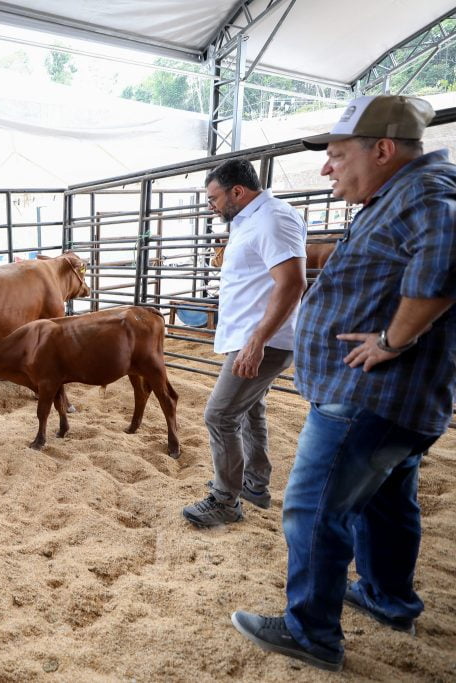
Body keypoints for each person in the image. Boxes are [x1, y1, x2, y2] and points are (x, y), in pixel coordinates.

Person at [230, 94, 456, 671]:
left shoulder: (426, 193)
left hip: (369, 396)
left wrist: (391, 341)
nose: (328, 168)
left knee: (311, 507)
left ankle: (310, 633)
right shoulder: (399, 194)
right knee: (386, 500)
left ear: (382, 149)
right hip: (393, 402)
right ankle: (389, 597)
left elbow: (442, 270)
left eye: (335, 155)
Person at [182, 159, 307, 528]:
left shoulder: (272, 219)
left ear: (238, 191)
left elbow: (292, 283)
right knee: (250, 410)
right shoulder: (250, 219)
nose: (211, 205)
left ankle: (225, 500)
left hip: (262, 339)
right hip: (251, 335)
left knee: (219, 415)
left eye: (214, 197)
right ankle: (253, 484)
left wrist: (257, 342)